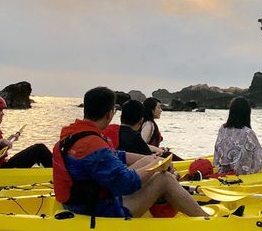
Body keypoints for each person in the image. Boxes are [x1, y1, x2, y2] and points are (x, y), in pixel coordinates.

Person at [52, 86, 207, 218]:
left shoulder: (73, 134)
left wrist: (151, 159)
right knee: (164, 179)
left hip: (82, 203)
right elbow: (126, 183)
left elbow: (116, 155)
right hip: (99, 210)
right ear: (110, 114)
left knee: (149, 161)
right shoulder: (93, 145)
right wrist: (158, 167)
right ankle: (205, 220)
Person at [213, 96, 262, 176]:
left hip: (224, 170)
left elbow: (217, 151)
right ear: (247, 113)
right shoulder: (248, 133)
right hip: (241, 173)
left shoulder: (223, 128)